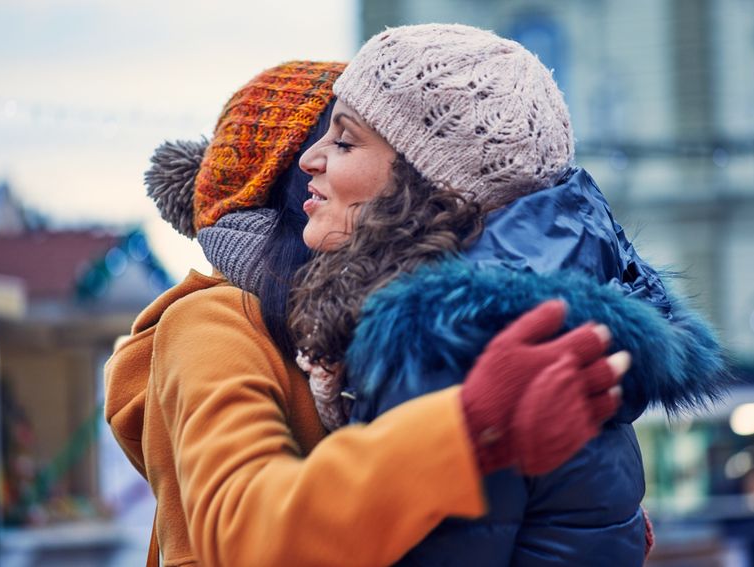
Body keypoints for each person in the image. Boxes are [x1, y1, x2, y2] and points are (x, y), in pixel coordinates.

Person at [105, 60, 625, 567]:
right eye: (333, 137)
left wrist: (568, 521)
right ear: (292, 184)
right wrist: (464, 427)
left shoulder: (366, 328)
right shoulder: (215, 322)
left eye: (348, 140)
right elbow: (243, 527)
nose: (319, 159)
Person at [288, 24, 731, 565]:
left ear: (428, 175)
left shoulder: (447, 340)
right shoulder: (527, 316)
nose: (311, 158)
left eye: (345, 139)